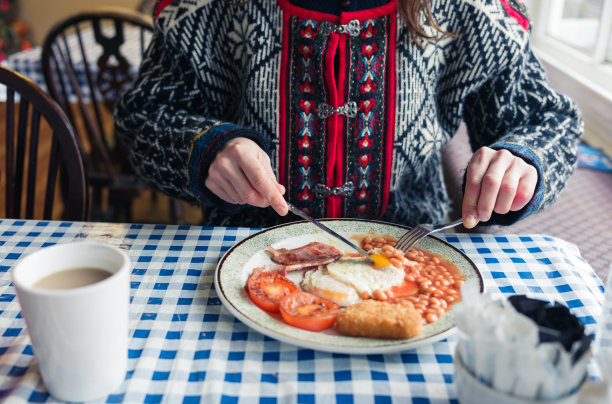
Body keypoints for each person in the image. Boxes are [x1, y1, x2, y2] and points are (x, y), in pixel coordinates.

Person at [115, 0, 582, 229]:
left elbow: (548, 122)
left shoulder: (471, 8)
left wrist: (521, 162)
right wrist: (208, 147)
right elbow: (144, 116)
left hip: (412, 256)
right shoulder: (206, 7)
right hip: (239, 261)